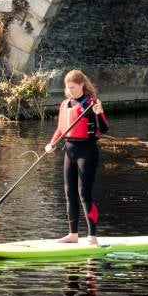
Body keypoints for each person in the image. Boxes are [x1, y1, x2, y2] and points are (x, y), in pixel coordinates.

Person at [45, 69, 109, 245]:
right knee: (69, 193)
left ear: (82, 84)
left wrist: (99, 113)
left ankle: (92, 236)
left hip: (87, 151)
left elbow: (104, 129)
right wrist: (52, 143)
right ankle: (73, 234)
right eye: (67, 88)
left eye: (73, 87)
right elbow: (60, 128)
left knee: (84, 194)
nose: (70, 91)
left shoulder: (92, 103)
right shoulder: (65, 104)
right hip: (70, 151)